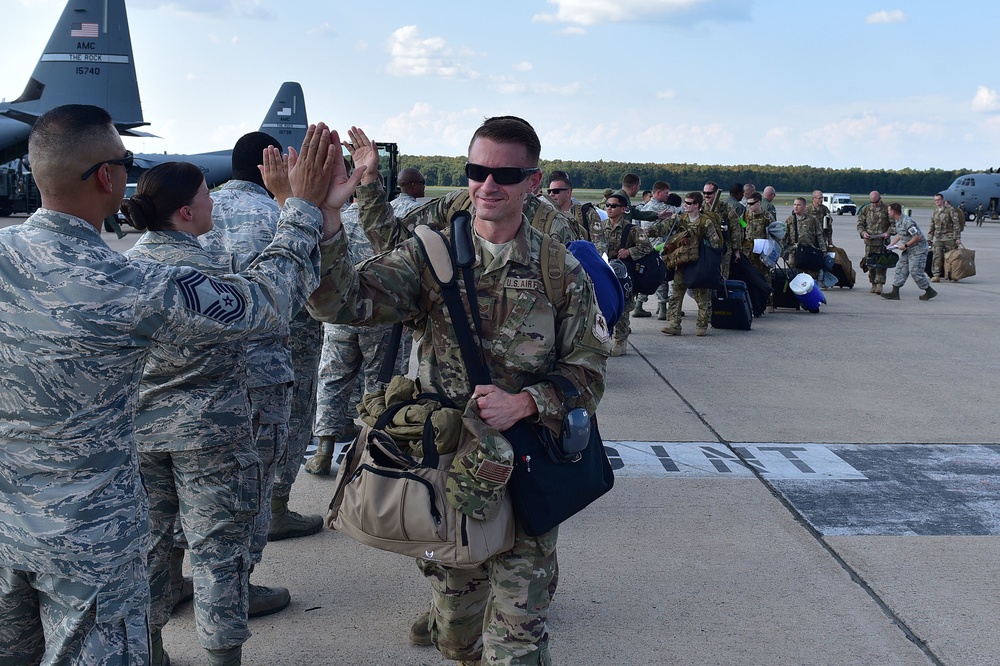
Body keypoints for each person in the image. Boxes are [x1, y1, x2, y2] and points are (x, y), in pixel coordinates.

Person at [0, 104, 336, 666]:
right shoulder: (130, 283)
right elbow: (265, 303)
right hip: (91, 539)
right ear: (108, 177)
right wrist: (300, 210)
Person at [313, 117, 609, 665]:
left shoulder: (559, 269)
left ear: (532, 182)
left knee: (516, 644)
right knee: (455, 638)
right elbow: (344, 304)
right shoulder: (430, 259)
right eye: (477, 170)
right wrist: (331, 216)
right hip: (451, 473)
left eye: (505, 173)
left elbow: (589, 369)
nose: (488, 185)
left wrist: (527, 402)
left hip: (526, 468)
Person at [121, 162, 258, 666]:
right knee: (218, 551)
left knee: (149, 548)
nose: (213, 203)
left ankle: (153, 651)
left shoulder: (123, 268)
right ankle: (223, 658)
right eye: (207, 195)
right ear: (185, 212)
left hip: (140, 434)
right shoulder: (211, 273)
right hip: (210, 435)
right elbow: (267, 315)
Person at [201, 131, 326, 618]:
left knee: (189, 479)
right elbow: (314, 293)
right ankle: (243, 577)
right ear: (270, 166)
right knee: (255, 473)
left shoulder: (194, 211)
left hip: (200, 371)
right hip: (268, 365)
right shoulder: (283, 215)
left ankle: (170, 575)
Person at [659, 191, 722, 337]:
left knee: (702, 296)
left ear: (697, 205)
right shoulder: (681, 219)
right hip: (682, 262)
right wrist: (646, 231)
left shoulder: (705, 222)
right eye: (685, 202)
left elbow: (716, 244)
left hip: (700, 264)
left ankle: (702, 326)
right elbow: (663, 228)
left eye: (688, 203)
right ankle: (674, 324)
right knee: (676, 293)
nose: (685, 206)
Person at [600, 192, 654, 355]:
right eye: (607, 205)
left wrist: (629, 251)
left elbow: (647, 247)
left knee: (622, 308)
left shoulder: (631, 229)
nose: (609, 208)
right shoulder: (601, 226)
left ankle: (620, 342)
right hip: (605, 271)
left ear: (623, 209)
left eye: (613, 206)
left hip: (623, 275)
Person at [882, 202, 937, 301]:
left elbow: (917, 237)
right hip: (909, 249)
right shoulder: (898, 221)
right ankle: (895, 292)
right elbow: (900, 234)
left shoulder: (907, 222)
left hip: (918, 250)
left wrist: (905, 245)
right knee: (901, 268)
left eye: (889, 210)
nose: (888, 212)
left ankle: (929, 291)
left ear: (893, 212)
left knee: (915, 271)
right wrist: (891, 244)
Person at [546, 172, 602, 245]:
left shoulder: (586, 213)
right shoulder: (547, 214)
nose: (551, 194)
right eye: (549, 191)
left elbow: (599, 244)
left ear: (568, 193)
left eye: (556, 191)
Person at [856, 190, 892, 294]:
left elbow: (894, 224)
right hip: (869, 242)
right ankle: (873, 283)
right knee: (870, 263)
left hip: (882, 242)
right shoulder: (866, 209)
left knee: (881, 263)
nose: (874, 204)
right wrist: (863, 233)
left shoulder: (886, 209)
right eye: (872, 202)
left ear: (880, 199)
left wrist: (888, 233)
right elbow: (860, 223)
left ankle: (880, 283)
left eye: (876, 202)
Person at [784, 196, 828, 280]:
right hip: (794, 252)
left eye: (798, 205)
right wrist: (782, 250)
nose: (796, 207)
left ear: (805, 206)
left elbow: (819, 236)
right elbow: (784, 236)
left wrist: (823, 250)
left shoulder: (812, 220)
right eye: (794, 205)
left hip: (809, 252)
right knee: (793, 276)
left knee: (810, 277)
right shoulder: (790, 220)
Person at [928, 193, 962, 283]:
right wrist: (929, 238)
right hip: (938, 238)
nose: (937, 202)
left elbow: (956, 224)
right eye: (935, 200)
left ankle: (952, 274)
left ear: (942, 200)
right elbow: (932, 225)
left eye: (938, 200)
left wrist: (957, 238)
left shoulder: (950, 210)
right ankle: (936, 275)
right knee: (937, 257)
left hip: (949, 238)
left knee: (950, 258)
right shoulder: (935, 211)